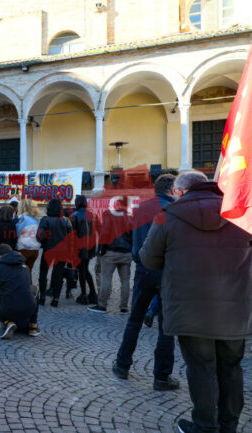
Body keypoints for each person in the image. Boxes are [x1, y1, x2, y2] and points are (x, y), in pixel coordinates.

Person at [139, 172, 252, 433]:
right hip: (234, 309)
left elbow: (148, 259)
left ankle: (203, 426)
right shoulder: (240, 213)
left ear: (179, 191)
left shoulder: (169, 214)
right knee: (231, 368)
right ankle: (229, 425)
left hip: (191, 309)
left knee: (201, 368)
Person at [112, 174, 179, 391]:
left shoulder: (140, 208)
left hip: (143, 269)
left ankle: (122, 364)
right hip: (167, 271)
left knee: (135, 320)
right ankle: (161, 376)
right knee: (166, 327)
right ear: (172, 190)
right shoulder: (175, 210)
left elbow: (133, 237)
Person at [0, 244, 40, 339]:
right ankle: (33, 326)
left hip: (8, 309)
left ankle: (8, 322)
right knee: (36, 290)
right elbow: (28, 286)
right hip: (29, 308)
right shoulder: (25, 267)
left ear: (0, 255)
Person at [88, 198, 132, 314]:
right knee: (125, 280)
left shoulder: (109, 215)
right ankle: (124, 306)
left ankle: (102, 305)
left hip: (111, 252)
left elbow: (105, 233)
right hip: (126, 252)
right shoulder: (130, 217)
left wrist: (101, 250)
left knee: (106, 278)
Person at [36, 199, 72, 307]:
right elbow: (71, 239)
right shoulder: (66, 220)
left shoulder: (45, 220)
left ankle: (42, 297)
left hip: (48, 250)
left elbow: (39, 236)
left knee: (43, 273)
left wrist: (43, 242)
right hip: (62, 251)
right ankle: (55, 298)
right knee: (59, 274)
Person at [70, 195, 98, 305]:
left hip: (79, 248)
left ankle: (84, 294)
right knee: (85, 270)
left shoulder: (74, 215)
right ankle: (92, 293)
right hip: (90, 247)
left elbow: (72, 235)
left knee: (82, 271)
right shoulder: (92, 215)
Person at [15, 199, 40, 273]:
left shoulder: (22, 218)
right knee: (29, 269)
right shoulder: (36, 219)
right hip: (35, 248)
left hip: (23, 247)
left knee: (20, 269)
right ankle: (29, 283)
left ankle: (22, 284)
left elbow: (17, 232)